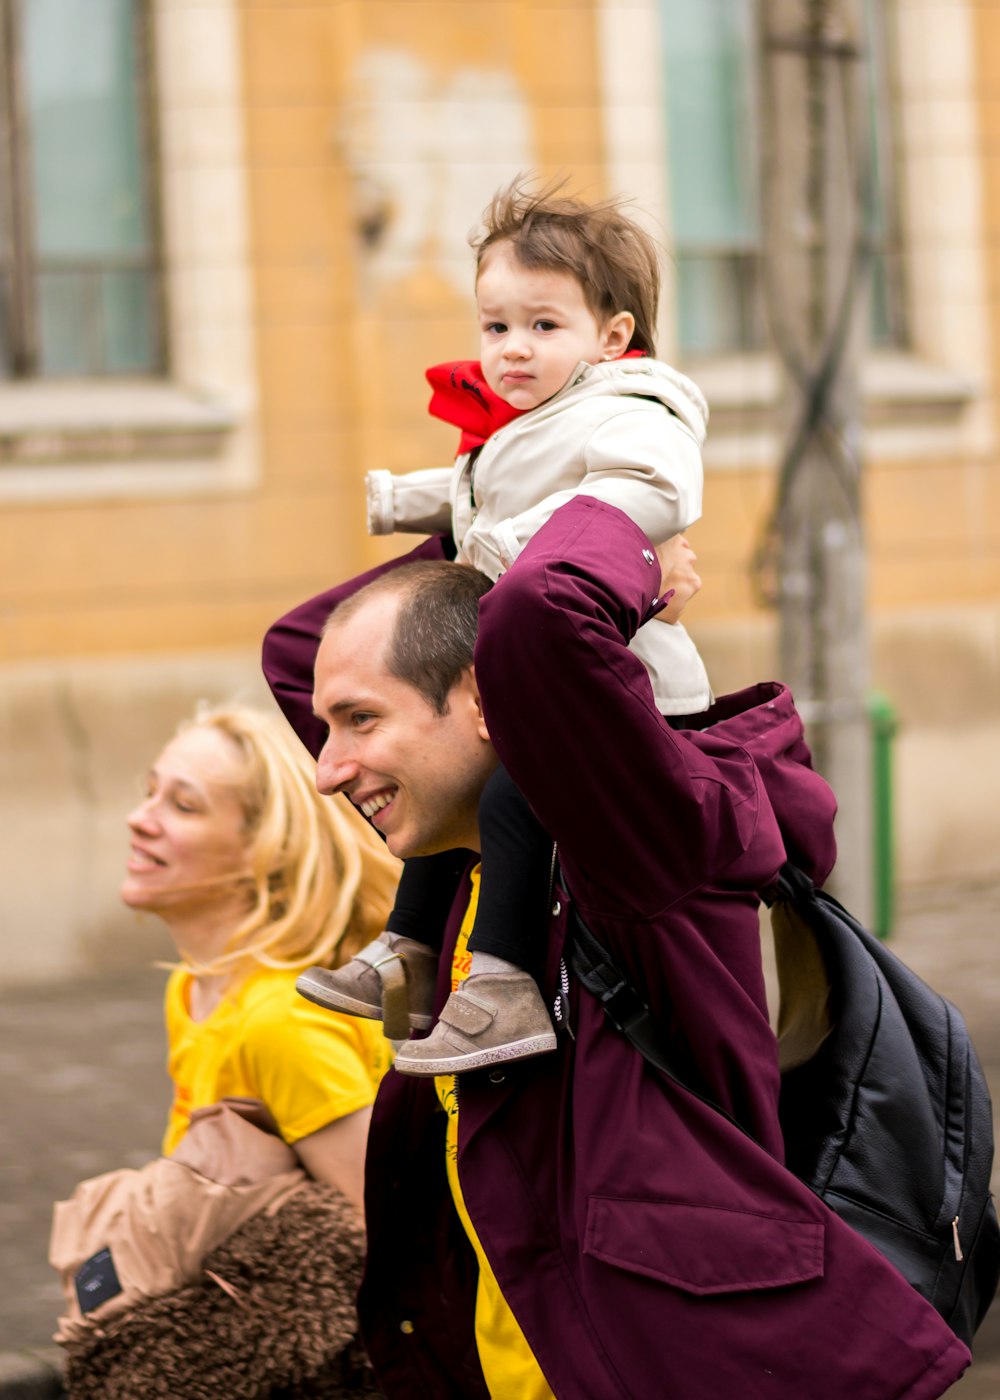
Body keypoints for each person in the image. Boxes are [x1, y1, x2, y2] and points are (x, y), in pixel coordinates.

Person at [262, 498, 970, 1398]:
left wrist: (631, 522)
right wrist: (497, 509)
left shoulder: (641, 846)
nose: (327, 769)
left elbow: (538, 615)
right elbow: (297, 646)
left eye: (359, 721)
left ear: (487, 702)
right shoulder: (466, 855)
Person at [296, 177, 714, 1076]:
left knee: (505, 796)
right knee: (455, 787)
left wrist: (520, 538)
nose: (513, 349)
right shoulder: (533, 420)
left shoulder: (632, 408)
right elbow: (481, 493)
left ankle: (503, 982)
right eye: (496, 327)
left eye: (543, 326)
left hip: (615, 679)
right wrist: (398, 501)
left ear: (612, 337)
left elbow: (657, 491)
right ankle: (408, 946)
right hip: (533, 673)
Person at [120, 702, 400, 1211]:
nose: (138, 819)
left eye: (183, 806)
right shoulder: (192, 984)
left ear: (269, 848)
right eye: (149, 793)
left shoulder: (282, 1021)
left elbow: (383, 1229)